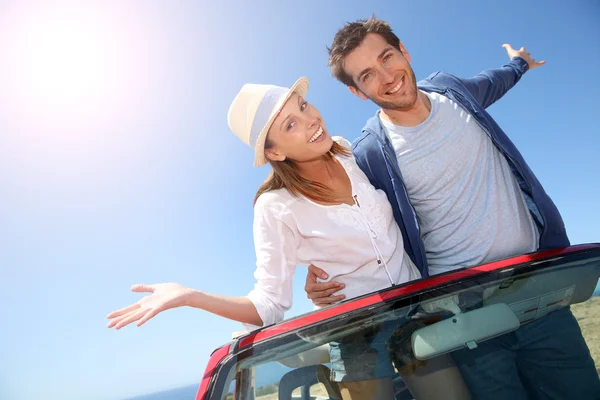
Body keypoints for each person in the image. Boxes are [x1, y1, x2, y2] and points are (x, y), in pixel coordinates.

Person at [106, 78, 470, 399]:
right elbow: (268, 304)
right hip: (357, 333)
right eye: (291, 124)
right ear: (275, 152)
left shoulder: (346, 151)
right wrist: (191, 297)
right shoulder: (274, 207)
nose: (311, 119)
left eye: (303, 105)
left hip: (416, 308)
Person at [304, 16, 600, 400]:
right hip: (462, 319)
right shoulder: (370, 153)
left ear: (405, 52)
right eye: (367, 75)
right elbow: (355, 226)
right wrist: (323, 277)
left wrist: (520, 62)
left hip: (538, 293)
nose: (386, 75)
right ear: (359, 92)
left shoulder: (451, 89)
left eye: (388, 57)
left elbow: (496, 80)